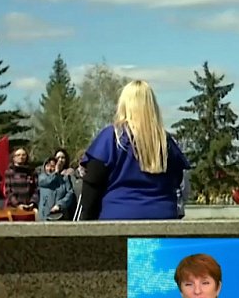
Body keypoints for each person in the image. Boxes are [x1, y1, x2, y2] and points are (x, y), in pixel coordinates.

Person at [77, 80, 191, 220]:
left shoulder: (111, 137)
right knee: (145, 243)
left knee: (131, 242)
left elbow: (92, 184)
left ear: (124, 104)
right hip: (162, 219)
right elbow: (178, 180)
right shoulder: (165, 141)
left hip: (119, 221)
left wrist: (87, 222)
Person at [37, 156, 75, 221]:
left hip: (61, 213)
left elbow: (70, 193)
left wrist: (60, 205)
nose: (50, 169)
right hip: (45, 214)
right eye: (48, 166)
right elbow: (48, 182)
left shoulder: (64, 179)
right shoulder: (42, 178)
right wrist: (55, 173)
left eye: (52, 166)